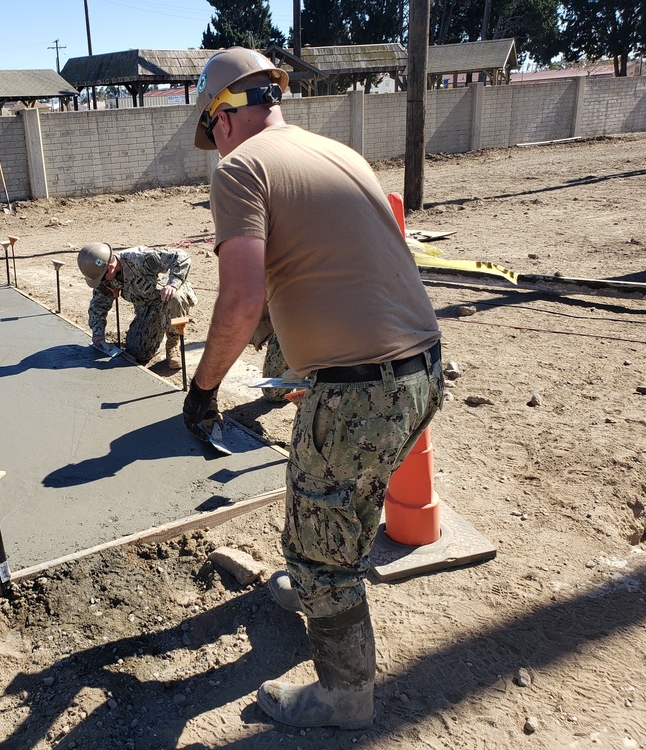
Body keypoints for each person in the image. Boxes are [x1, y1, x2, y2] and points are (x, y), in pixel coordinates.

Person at [181, 48, 443, 730]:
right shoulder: (338, 153)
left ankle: (343, 697)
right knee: (344, 504)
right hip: (421, 372)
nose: (217, 145)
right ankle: (321, 589)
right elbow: (327, 267)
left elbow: (238, 301)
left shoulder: (240, 171)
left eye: (214, 130)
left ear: (225, 114)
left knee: (317, 542)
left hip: (359, 391)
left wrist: (203, 389)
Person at [77, 242, 196, 370]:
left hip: (168, 297)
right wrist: (98, 333)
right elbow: (98, 304)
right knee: (138, 353)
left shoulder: (140, 257)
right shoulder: (104, 276)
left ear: (111, 267)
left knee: (176, 298)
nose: (101, 282)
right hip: (147, 308)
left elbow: (182, 256)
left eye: (101, 278)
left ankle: (174, 342)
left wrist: (173, 284)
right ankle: (158, 333)